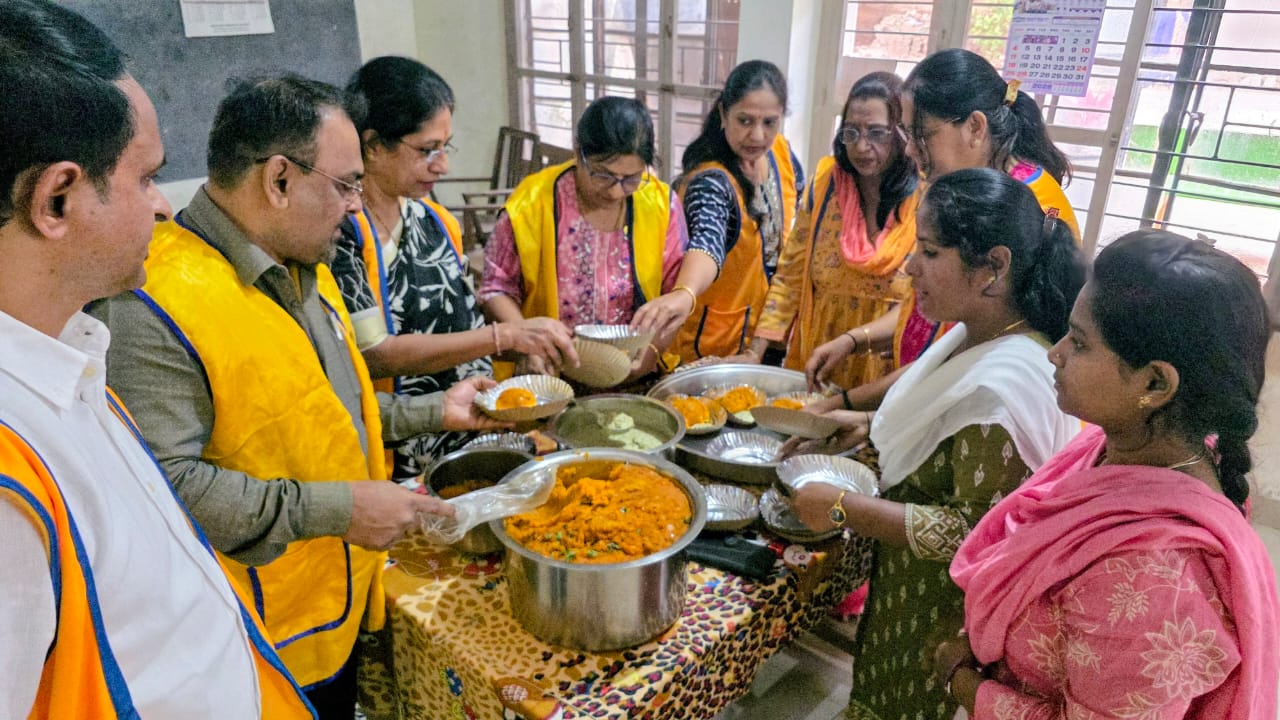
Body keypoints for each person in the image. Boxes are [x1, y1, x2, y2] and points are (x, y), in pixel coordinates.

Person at [91, 75, 503, 718]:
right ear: (279, 179)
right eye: (344, 185)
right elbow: (166, 493)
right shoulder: (154, 304)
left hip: (333, 607)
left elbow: (324, 412)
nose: (358, 206)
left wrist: (434, 408)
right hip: (256, 644)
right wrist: (339, 511)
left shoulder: (304, 267)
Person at [0, 2, 311, 717]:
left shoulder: (71, 359)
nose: (163, 209)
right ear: (56, 198)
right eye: (145, 179)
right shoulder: (10, 470)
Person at [786, 168, 1085, 720]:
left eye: (928, 251)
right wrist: (864, 422)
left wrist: (840, 505)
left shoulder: (1007, 386)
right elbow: (936, 420)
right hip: (905, 593)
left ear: (993, 267)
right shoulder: (977, 331)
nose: (909, 265)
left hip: (942, 621)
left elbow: (977, 532)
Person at [943, 230, 1279, 718]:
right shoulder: (1115, 448)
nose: (1054, 353)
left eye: (1079, 342)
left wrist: (966, 687)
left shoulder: (1155, 584)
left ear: (1155, 383)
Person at [332, 56, 576, 477]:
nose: (443, 165)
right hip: (396, 447)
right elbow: (375, 357)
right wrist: (504, 335)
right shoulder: (341, 235)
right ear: (372, 145)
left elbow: (460, 314)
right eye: (427, 150)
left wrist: (521, 354)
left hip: (467, 427)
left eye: (445, 147)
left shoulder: (434, 220)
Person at [806, 48, 1079, 393]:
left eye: (922, 135)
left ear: (975, 127)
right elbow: (929, 320)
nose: (909, 151)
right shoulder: (968, 192)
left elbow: (961, 358)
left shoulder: (1022, 208)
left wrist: (853, 405)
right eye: (906, 134)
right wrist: (854, 339)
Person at [480, 95, 690, 376]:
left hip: (634, 370)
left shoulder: (661, 203)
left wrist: (653, 352)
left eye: (631, 178)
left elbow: (674, 293)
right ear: (578, 152)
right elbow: (496, 287)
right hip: (550, 369)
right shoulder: (531, 204)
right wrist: (525, 342)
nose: (616, 191)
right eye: (603, 175)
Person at [746, 71, 918, 388]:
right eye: (851, 132)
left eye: (877, 133)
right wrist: (755, 352)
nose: (862, 146)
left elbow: (924, 306)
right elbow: (791, 275)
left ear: (901, 134)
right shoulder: (825, 187)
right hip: (821, 361)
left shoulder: (926, 200)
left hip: (888, 372)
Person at [661, 59, 805, 363]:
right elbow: (706, 241)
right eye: (745, 121)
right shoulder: (711, 181)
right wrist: (685, 292)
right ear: (724, 115)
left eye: (769, 122)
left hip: (767, 334)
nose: (757, 136)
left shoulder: (781, 153)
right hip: (713, 346)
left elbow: (802, 210)